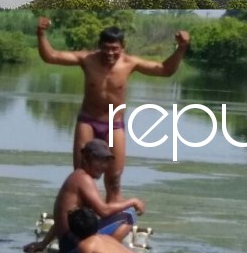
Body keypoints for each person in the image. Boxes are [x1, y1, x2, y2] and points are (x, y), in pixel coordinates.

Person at [37, 17, 191, 203]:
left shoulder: (130, 63)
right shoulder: (87, 59)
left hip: (114, 124)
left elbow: (165, 70)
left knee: (114, 178)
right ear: (99, 46)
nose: (110, 53)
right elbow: (51, 56)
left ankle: (112, 217)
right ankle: (79, 217)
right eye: (106, 48)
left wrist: (182, 47)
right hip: (88, 122)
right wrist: (41, 34)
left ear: (122, 47)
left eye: (114, 49)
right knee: (81, 174)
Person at [26, 139, 146, 253]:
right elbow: (104, 211)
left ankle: (102, 249)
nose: (103, 166)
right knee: (129, 215)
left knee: (123, 212)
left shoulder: (77, 176)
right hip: (75, 248)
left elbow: (62, 220)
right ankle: (104, 252)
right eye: (98, 160)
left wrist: (43, 243)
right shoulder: (83, 179)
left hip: (68, 246)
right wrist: (133, 201)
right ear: (86, 159)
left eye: (105, 161)